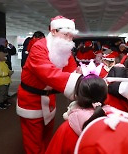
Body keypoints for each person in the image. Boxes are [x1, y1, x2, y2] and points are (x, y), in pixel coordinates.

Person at [16, 15, 81, 154]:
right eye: (66, 35)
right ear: (53, 31)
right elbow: (48, 73)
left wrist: (85, 78)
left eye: (71, 36)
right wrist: (80, 83)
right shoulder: (38, 48)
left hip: (49, 99)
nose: (69, 39)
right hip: (31, 100)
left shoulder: (65, 49)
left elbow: (72, 70)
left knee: (46, 135)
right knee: (33, 140)